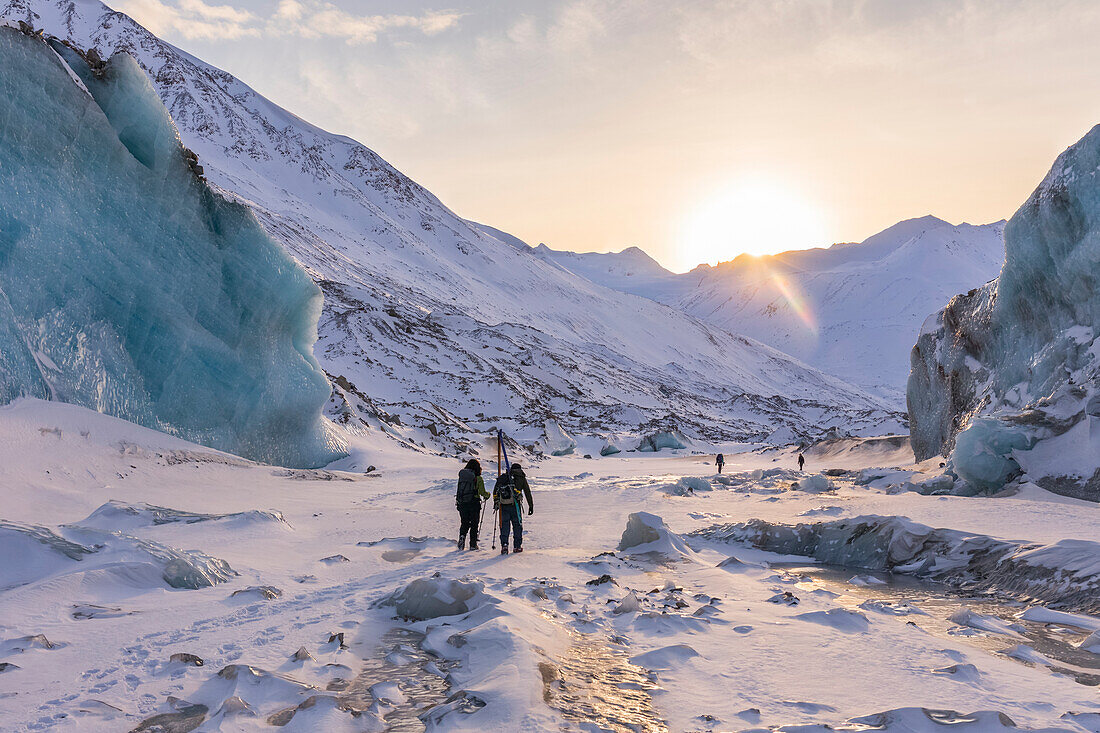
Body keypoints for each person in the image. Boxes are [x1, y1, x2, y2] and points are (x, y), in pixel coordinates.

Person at [494, 462, 534, 554]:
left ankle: (504, 545)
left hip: (503, 505)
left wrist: (496, 502)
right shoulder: (521, 478)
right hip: (515, 506)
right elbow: (527, 492)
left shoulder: (504, 477)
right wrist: (531, 505)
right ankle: (517, 546)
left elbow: (495, 490)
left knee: (504, 526)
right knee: (517, 525)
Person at [456, 459, 489, 550]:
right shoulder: (478, 478)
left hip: (462, 503)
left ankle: (462, 538)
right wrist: (488, 495)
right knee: (474, 524)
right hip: (474, 503)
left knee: (464, 523)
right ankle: (473, 544)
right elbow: (482, 492)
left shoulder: (462, 477)